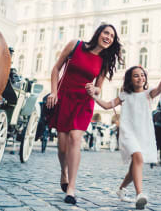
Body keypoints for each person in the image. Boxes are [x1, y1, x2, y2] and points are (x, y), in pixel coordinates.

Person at [46, 24, 122, 205]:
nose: (108, 37)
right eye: (106, 33)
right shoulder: (75, 45)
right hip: (64, 97)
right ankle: (63, 172)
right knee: (62, 145)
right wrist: (53, 92)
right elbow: (56, 68)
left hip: (83, 103)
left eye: (112, 36)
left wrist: (94, 89)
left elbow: (98, 89)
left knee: (75, 138)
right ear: (98, 33)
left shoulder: (104, 61)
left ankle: (71, 188)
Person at [86, 66, 161, 210]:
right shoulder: (125, 95)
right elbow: (107, 106)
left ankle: (121, 189)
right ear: (130, 79)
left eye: (142, 75)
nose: (140, 78)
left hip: (143, 133)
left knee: (135, 166)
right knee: (138, 158)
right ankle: (139, 194)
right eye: (136, 76)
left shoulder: (148, 94)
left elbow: (158, 90)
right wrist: (94, 96)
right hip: (128, 132)